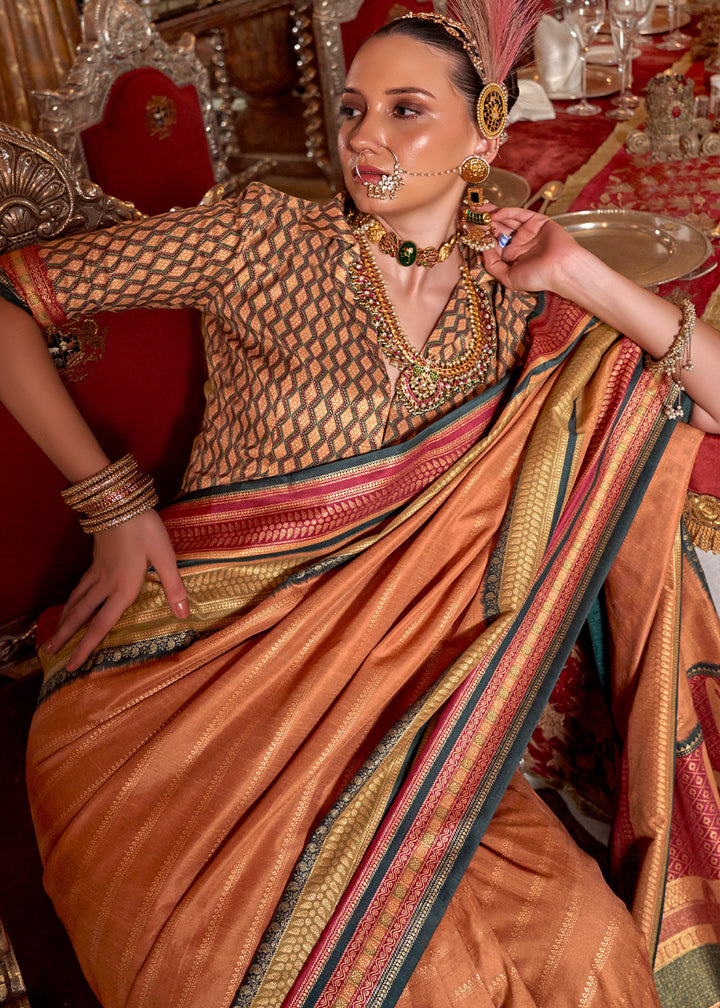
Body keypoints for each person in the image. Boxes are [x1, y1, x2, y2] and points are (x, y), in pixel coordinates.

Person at [2, 0, 720, 1005]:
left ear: (488, 130)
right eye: (353, 110)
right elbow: (10, 297)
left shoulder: (514, 299)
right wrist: (113, 503)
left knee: (586, 955)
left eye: (407, 111)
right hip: (177, 698)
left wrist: (580, 272)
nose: (366, 140)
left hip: (405, 726)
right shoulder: (260, 237)